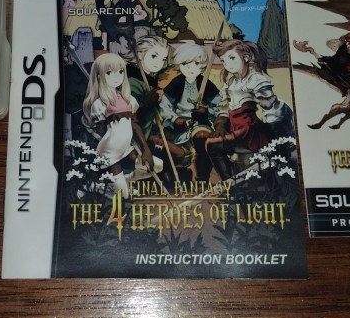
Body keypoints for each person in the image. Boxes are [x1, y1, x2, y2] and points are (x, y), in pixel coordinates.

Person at [205, 39, 295, 183]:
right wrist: (221, 125)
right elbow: (225, 108)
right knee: (212, 144)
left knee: (212, 144)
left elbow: (272, 109)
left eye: (232, 58)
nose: (227, 64)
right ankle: (230, 181)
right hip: (235, 129)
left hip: (250, 132)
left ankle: (230, 183)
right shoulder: (231, 82)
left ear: (246, 57)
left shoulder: (255, 79)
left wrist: (275, 139)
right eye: (223, 61)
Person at [82, 53, 153, 199]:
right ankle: (97, 186)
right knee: (124, 197)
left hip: (126, 147)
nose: (116, 77)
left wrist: (145, 149)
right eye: (109, 73)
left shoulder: (128, 98)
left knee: (155, 166)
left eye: (120, 72)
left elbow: (134, 124)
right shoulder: (99, 104)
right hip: (110, 150)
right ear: (99, 76)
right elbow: (100, 132)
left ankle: (120, 183)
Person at [158, 41, 220, 187]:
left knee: (202, 137)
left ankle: (202, 178)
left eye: (196, 64)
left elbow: (218, 105)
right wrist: (176, 120)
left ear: (202, 65)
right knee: (170, 150)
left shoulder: (206, 83)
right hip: (178, 127)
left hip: (200, 124)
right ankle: (179, 175)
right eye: (186, 64)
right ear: (179, 65)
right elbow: (165, 107)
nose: (191, 68)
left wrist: (207, 112)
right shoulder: (176, 83)